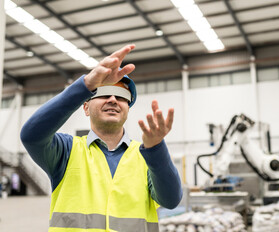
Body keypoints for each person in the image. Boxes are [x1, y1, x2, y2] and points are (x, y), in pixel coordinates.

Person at [20, 44, 182, 232]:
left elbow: (171, 200)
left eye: (121, 96)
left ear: (127, 108)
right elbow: (31, 135)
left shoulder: (146, 157)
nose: (113, 99)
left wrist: (155, 149)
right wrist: (86, 85)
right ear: (86, 107)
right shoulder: (65, 151)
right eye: (103, 93)